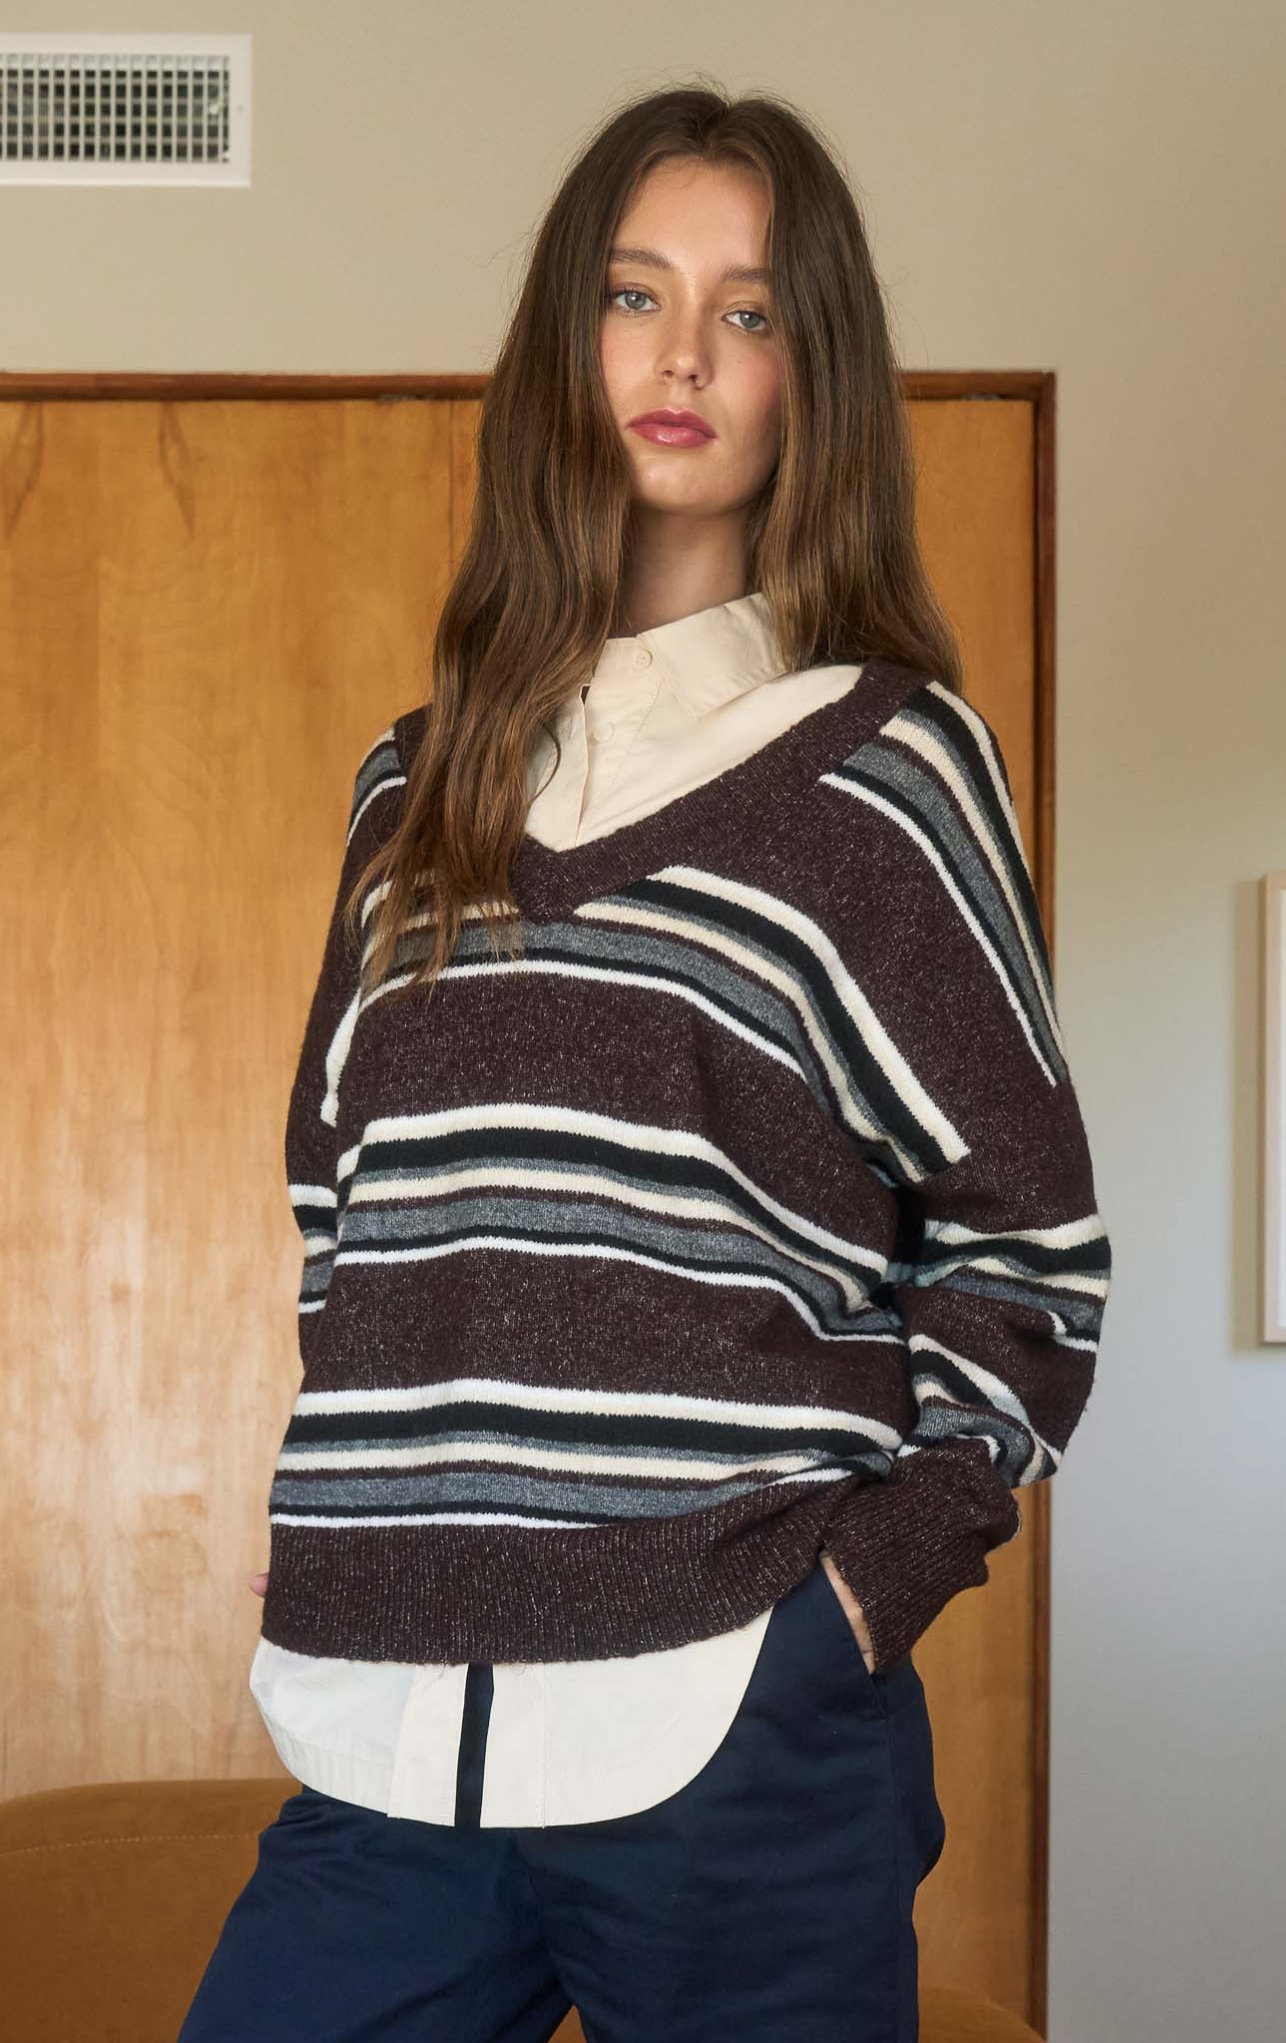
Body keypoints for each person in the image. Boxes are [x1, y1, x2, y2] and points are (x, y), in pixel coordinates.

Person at [179, 80, 1111, 2043]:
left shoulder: (881, 769)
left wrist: (846, 1601)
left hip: (735, 1726)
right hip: (392, 1739)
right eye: (631, 293)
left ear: (808, 375)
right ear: (563, 345)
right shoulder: (404, 789)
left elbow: (1023, 1246)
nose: (682, 351)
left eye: (748, 309)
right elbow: (340, 1220)